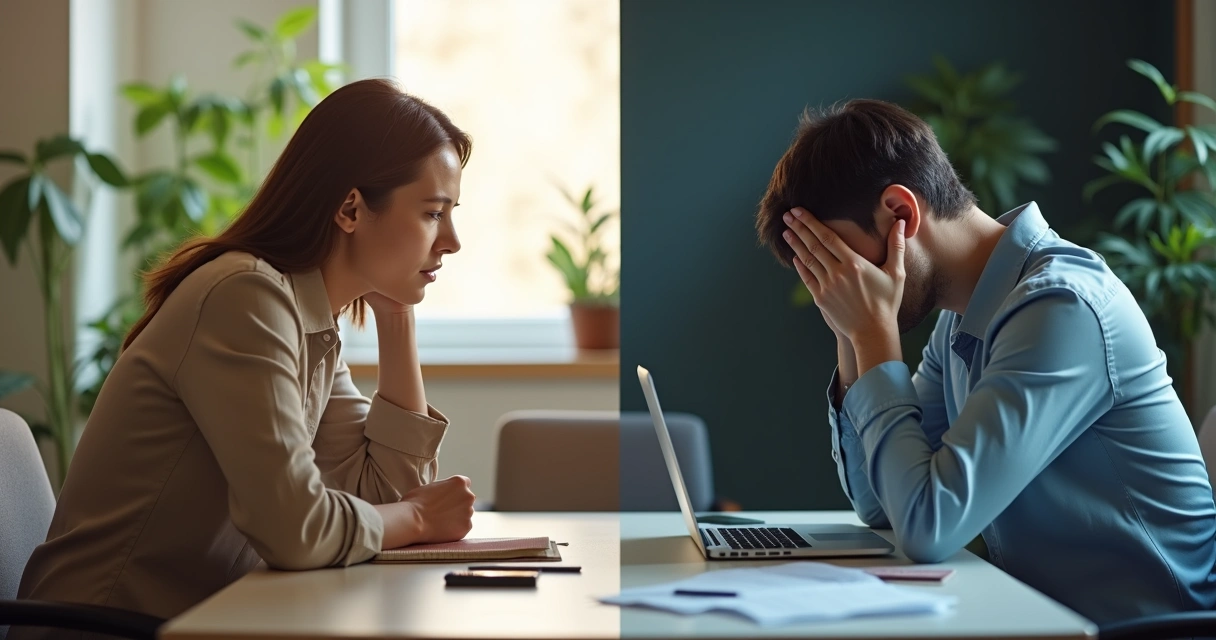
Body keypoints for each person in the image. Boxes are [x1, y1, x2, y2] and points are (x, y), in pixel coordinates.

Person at [13, 79, 477, 634]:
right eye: (433, 213)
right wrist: (421, 517)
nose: (451, 240)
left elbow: (383, 497)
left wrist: (396, 315)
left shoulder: (309, 319)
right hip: (107, 628)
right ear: (350, 208)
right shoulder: (246, 298)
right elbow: (300, 529)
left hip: (205, 619)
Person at [754, 98, 1216, 623]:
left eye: (837, 261)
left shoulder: (1061, 308)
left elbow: (928, 527)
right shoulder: (964, 317)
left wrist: (872, 331)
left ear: (901, 214)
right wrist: (849, 332)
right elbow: (882, 503)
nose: (836, 285)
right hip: (1048, 622)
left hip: (1147, 629)